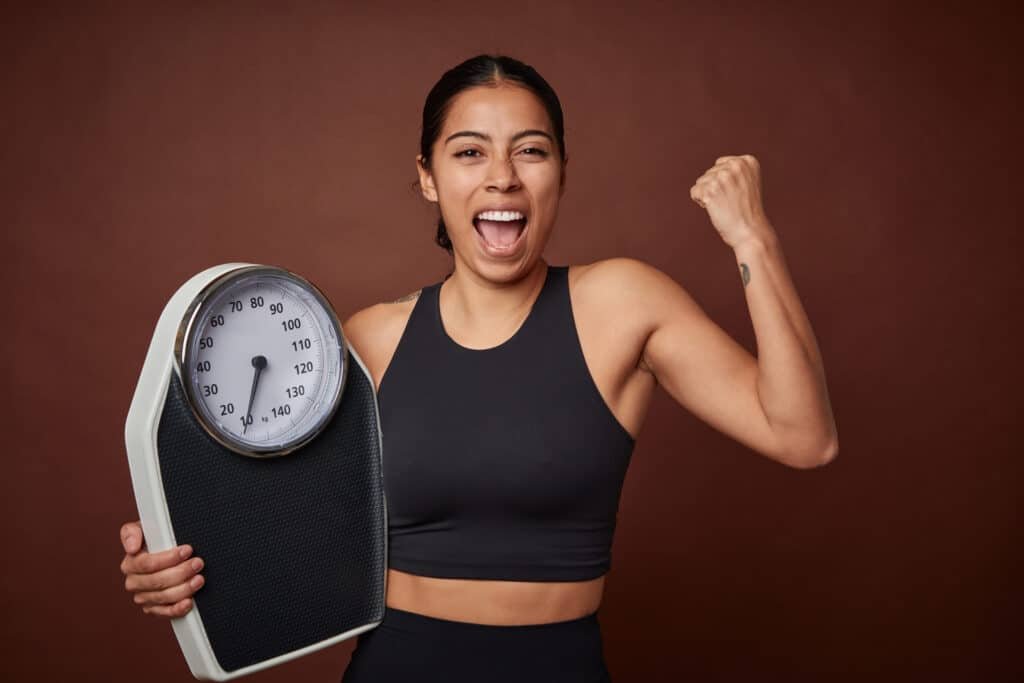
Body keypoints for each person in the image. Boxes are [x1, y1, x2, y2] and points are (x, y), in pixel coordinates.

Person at [118, 54, 838, 681]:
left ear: (561, 171)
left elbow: (804, 436)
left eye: (531, 151)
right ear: (428, 178)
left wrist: (753, 234)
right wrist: (172, 558)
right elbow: (277, 523)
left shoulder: (623, 302)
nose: (502, 178)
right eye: (468, 153)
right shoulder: (368, 339)